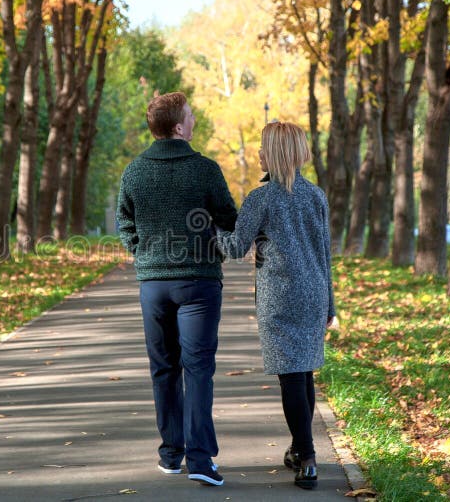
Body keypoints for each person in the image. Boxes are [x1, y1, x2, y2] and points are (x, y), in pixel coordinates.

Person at [117, 92, 238, 486]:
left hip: (153, 284)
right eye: (190, 115)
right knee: (198, 369)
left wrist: (144, 254)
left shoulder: (134, 171)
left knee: (164, 368)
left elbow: (125, 223)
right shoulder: (204, 169)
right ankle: (200, 462)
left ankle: (171, 455)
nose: (195, 118)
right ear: (179, 127)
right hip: (199, 282)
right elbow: (229, 218)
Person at [216, 121, 335, 490]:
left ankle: (308, 457)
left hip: (280, 297)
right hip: (314, 294)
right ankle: (301, 452)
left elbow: (235, 247)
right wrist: (331, 303)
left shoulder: (261, 198)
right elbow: (325, 254)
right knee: (304, 373)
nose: (258, 153)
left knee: (291, 377)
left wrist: (209, 232)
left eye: (263, 148)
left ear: (276, 153)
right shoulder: (316, 195)